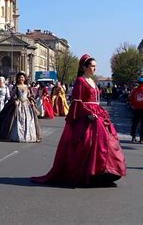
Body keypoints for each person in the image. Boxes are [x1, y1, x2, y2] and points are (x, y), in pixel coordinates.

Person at [31, 54, 126, 187]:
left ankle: (103, 172)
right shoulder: (80, 81)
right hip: (88, 116)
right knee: (88, 144)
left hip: (98, 113)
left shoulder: (93, 81)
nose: (94, 69)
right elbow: (77, 101)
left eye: (95, 66)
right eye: (92, 66)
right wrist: (88, 114)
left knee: (107, 143)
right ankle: (90, 173)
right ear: (84, 67)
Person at [0, 71, 42, 142]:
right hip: (18, 104)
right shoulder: (16, 86)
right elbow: (13, 96)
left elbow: (30, 96)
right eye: (20, 77)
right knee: (17, 119)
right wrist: (15, 100)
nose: (21, 79)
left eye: (22, 77)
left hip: (26, 104)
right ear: (18, 79)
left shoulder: (27, 87)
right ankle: (16, 135)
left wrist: (31, 101)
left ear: (25, 78)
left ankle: (28, 135)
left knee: (29, 119)